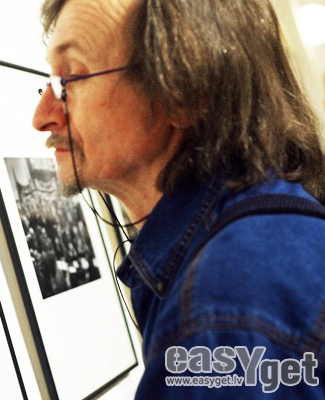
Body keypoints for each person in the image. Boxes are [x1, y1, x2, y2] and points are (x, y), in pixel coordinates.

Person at [34, 0, 325, 398]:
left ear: (185, 92)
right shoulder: (265, 236)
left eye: (71, 78)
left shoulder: (223, 304)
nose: (42, 116)